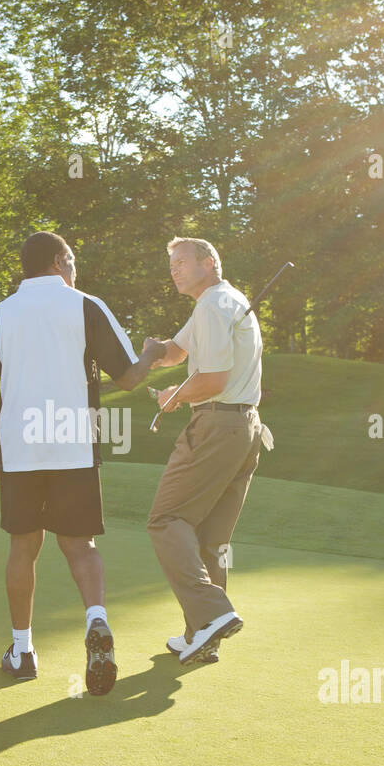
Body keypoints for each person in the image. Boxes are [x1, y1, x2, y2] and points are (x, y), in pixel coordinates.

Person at [0, 231, 165, 695]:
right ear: (59, 261)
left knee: (22, 548)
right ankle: (97, 620)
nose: (75, 270)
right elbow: (131, 378)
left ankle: (22, 650)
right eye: (72, 261)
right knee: (80, 546)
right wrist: (151, 353)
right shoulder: (85, 304)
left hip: (20, 448)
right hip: (73, 445)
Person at [145, 237, 265, 664]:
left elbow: (212, 379)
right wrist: (138, 355)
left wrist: (172, 397)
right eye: (171, 264)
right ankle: (202, 633)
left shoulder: (213, 305)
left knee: (166, 519)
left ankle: (213, 614)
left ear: (209, 262)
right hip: (244, 427)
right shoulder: (218, 304)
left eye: (182, 262)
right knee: (210, 538)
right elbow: (174, 352)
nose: (174, 269)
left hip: (216, 424)